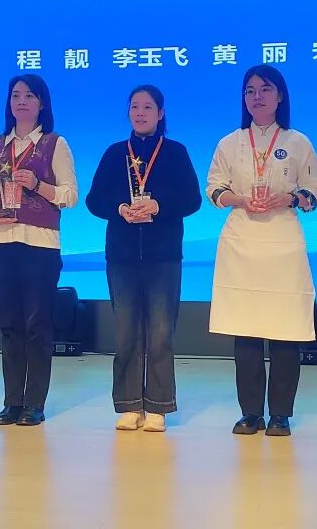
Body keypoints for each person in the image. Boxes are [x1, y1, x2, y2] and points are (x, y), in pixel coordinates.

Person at [205, 65, 317, 437]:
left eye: (265, 89)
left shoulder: (298, 141)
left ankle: (281, 414)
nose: (257, 97)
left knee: (285, 329)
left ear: (280, 95)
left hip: (283, 242)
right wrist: (240, 199)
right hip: (241, 241)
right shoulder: (229, 143)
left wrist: (289, 198)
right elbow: (214, 188)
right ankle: (250, 413)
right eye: (250, 91)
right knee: (246, 330)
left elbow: (314, 190)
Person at [85, 84, 201, 432]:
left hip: (163, 256)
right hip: (121, 256)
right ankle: (129, 404)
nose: (140, 113)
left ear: (160, 113)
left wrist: (158, 206)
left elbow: (192, 199)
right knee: (125, 331)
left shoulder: (176, 152)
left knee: (161, 332)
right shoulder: (114, 153)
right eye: (134, 106)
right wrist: (120, 208)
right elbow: (94, 200)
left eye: (147, 107)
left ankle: (159, 406)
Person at [0, 74, 78, 427]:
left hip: (40, 243)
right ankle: (12, 401)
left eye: (29, 96)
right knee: (9, 324)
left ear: (41, 103)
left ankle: (34, 402)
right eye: (15, 95)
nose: (21, 101)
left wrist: (37, 184)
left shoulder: (54, 144)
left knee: (37, 324)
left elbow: (70, 195)